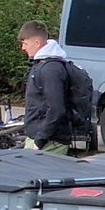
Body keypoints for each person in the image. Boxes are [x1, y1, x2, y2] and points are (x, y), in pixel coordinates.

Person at [18, 21, 73, 151]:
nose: (23, 48)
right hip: (39, 138)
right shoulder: (41, 65)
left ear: (37, 43)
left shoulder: (51, 69)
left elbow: (56, 109)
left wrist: (39, 141)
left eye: (25, 43)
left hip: (50, 143)